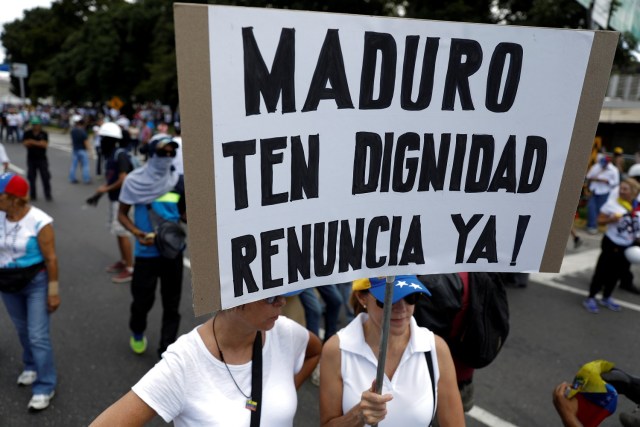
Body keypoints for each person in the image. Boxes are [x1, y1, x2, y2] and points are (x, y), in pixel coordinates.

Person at [90, 297, 322, 426]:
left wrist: (281, 390)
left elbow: (314, 352)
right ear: (232, 296)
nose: (281, 301)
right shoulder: (184, 363)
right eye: (270, 296)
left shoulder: (285, 332)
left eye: (281, 289)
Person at [319, 275, 464, 426]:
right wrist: (357, 416)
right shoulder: (337, 349)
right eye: (388, 298)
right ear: (362, 298)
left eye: (410, 296)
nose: (401, 308)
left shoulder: (435, 349)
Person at [117, 135, 185, 357]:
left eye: (171, 152)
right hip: (146, 253)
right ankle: (137, 331)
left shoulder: (177, 180)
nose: (167, 156)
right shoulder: (134, 181)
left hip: (172, 252)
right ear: (151, 153)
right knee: (142, 302)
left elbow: (184, 214)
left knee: (172, 305)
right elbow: (122, 214)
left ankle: (166, 351)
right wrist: (136, 233)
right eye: (162, 151)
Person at [0, 173, 59, 411]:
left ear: (13, 198)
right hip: (7, 283)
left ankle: (45, 385)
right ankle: (31, 366)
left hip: (35, 282)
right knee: (23, 330)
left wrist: (53, 291)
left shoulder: (39, 221)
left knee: (37, 335)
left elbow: (51, 258)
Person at [584, 178, 640, 313]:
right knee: (602, 271)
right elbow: (599, 220)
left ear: (633, 192)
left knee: (617, 273)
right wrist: (611, 219)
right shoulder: (612, 205)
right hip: (611, 242)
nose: (621, 191)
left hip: (628, 246)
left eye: (625, 189)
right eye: (621, 188)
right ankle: (591, 298)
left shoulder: (637, 208)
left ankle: (606, 297)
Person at [89, 122, 135, 284]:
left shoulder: (120, 154)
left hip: (122, 202)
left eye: (103, 138)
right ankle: (123, 261)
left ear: (110, 139)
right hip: (115, 199)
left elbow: (123, 179)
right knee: (118, 232)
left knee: (122, 233)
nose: (101, 141)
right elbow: (113, 177)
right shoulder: (111, 154)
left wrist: (106, 188)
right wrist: (103, 191)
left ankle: (130, 269)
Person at [585, 155, 620, 234]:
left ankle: (592, 225)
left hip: (604, 192)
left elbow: (616, 183)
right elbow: (588, 176)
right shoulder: (596, 166)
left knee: (599, 209)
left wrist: (607, 181)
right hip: (594, 190)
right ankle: (592, 226)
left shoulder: (614, 170)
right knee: (591, 207)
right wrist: (596, 179)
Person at [22, 116, 52, 201]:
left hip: (42, 158)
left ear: (40, 125)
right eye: (34, 124)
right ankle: (33, 195)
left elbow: (44, 145)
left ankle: (48, 194)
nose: (35, 126)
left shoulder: (44, 133)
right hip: (31, 158)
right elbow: (25, 143)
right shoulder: (27, 133)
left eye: (37, 124)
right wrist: (38, 143)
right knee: (31, 177)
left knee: (45, 177)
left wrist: (32, 142)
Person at [68, 116, 92, 184]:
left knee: (74, 165)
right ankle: (86, 179)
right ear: (82, 124)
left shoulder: (73, 131)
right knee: (85, 165)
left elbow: (72, 141)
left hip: (75, 149)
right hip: (82, 150)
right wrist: (90, 152)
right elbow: (86, 142)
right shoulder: (83, 132)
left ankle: (72, 178)